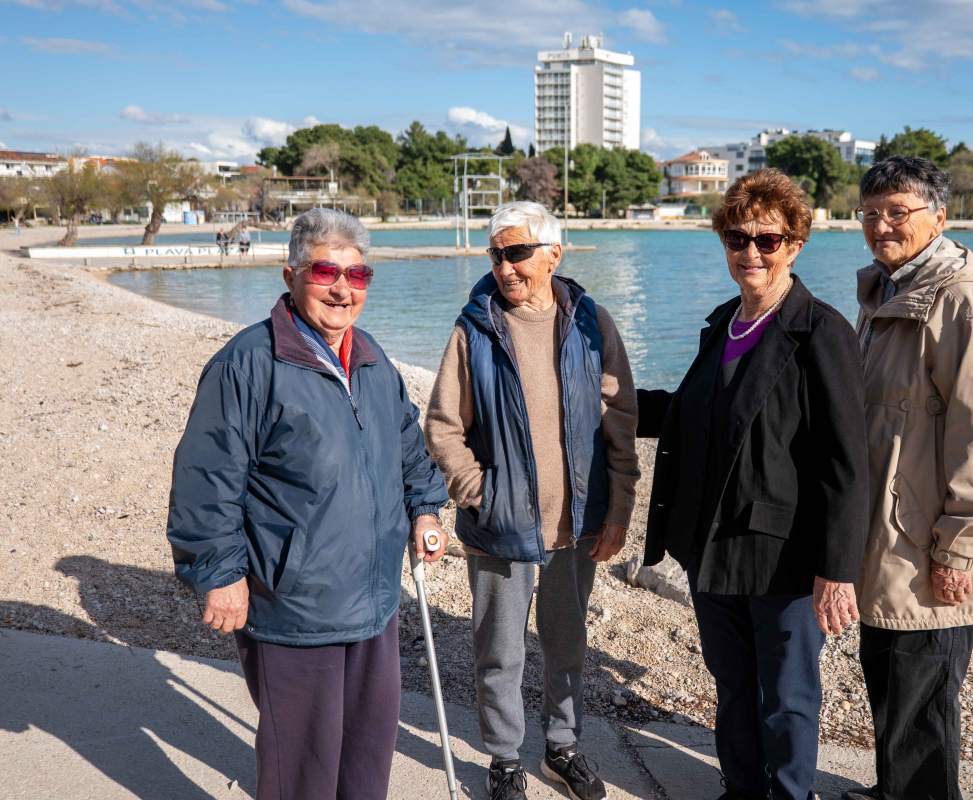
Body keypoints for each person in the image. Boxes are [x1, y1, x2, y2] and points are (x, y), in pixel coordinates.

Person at [167, 207, 450, 800]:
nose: (343, 289)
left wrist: (425, 508)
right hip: (294, 607)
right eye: (326, 272)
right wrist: (220, 573)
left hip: (374, 601)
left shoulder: (370, 357)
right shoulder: (249, 361)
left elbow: (408, 448)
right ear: (291, 274)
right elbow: (207, 477)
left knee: (366, 758)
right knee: (301, 770)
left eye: (359, 275)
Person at [636, 169, 870, 800]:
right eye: (738, 239)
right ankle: (741, 790)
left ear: (795, 244)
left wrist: (838, 568)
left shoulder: (821, 332)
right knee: (733, 683)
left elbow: (847, 461)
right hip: (712, 546)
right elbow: (691, 415)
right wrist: (605, 403)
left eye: (768, 240)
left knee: (787, 697)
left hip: (785, 556)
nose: (751, 253)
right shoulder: (722, 324)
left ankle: (790, 795)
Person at [425, 201, 640, 800]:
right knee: (499, 652)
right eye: (496, 255)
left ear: (552, 254)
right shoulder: (475, 329)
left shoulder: (593, 322)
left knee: (568, 646)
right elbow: (443, 425)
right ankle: (503, 760)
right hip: (500, 526)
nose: (505, 267)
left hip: (577, 525)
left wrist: (618, 510)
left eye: (516, 252)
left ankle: (562, 748)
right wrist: (479, 493)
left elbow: (619, 416)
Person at [843, 157, 973, 800]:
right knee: (892, 683)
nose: (881, 226)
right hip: (893, 529)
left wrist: (961, 546)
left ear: (938, 217)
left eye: (898, 212)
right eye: (869, 213)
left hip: (931, 538)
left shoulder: (961, 294)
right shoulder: (888, 287)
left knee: (922, 698)